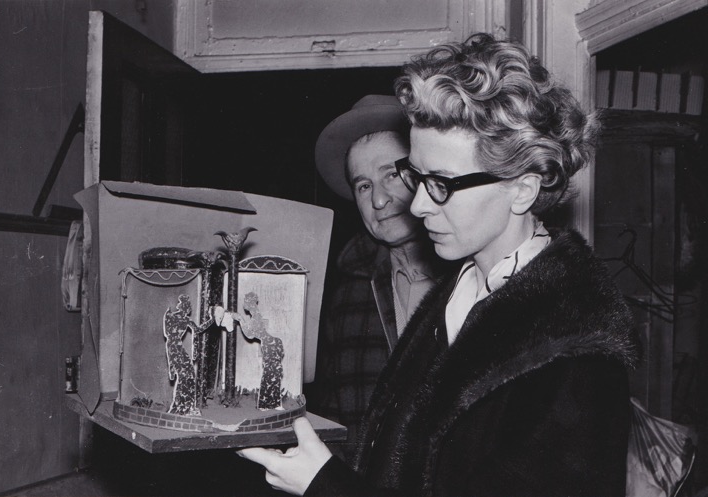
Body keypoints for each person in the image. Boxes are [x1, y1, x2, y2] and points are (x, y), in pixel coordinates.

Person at [237, 33, 639, 497]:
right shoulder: (459, 292)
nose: (420, 204)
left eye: (442, 183)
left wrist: (326, 485)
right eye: (417, 176)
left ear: (523, 189)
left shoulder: (575, 348)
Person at [311, 95, 447, 459]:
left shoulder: (475, 277)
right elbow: (334, 419)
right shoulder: (347, 294)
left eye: (391, 174)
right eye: (364, 185)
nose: (379, 201)